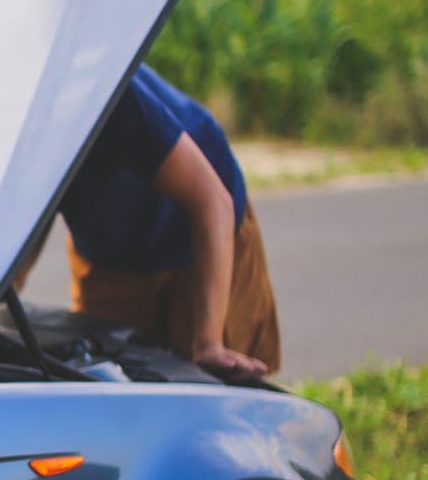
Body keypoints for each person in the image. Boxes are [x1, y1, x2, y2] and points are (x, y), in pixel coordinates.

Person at [58, 64, 280, 380]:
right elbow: (24, 221)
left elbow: (212, 202)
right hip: (108, 246)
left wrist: (208, 342)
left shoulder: (108, 91)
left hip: (202, 229)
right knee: (109, 379)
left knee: (215, 380)